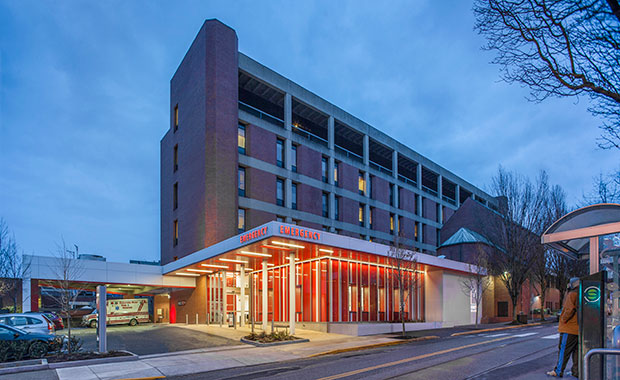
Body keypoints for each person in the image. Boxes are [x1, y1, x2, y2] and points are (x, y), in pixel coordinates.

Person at [547, 277, 580, 378]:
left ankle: (558, 370)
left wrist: (563, 319)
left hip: (569, 328)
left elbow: (569, 310)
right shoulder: (582, 294)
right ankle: (577, 371)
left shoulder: (572, 294)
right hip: (579, 329)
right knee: (576, 352)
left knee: (563, 350)